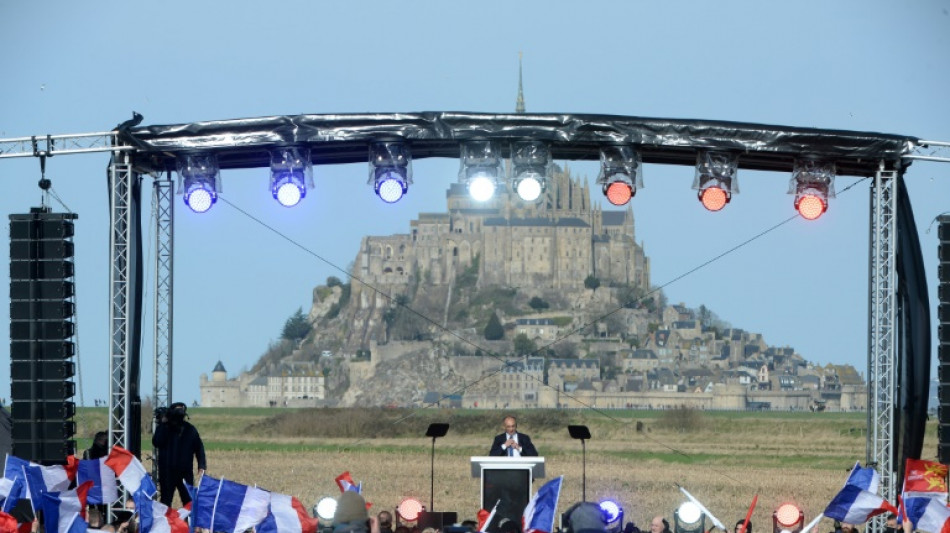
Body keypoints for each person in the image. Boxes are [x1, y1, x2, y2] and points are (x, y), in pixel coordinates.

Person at [152, 402, 206, 507]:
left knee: (188, 501)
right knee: (165, 502)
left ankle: (188, 518)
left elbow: (199, 447)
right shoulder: (165, 427)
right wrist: (163, 424)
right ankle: (166, 518)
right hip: (167, 472)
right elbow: (156, 442)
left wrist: (201, 465)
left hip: (185, 472)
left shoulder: (190, 429)